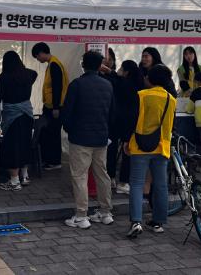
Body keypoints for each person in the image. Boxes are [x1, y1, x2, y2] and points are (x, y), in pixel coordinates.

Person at [61, 51, 114, 229]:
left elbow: (67, 112)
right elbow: (112, 112)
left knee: (79, 176)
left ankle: (81, 215)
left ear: (83, 65)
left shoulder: (77, 84)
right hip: (101, 137)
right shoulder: (108, 85)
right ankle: (105, 212)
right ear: (100, 66)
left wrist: (69, 129)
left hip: (80, 137)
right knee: (102, 175)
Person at [123, 64, 176, 237]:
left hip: (140, 145)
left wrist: (126, 140)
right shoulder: (171, 99)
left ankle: (136, 222)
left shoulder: (141, 95)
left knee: (137, 184)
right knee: (161, 185)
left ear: (151, 79)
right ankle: (158, 222)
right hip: (162, 147)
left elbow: (131, 119)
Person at [0, 51, 38, 191]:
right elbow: (34, 73)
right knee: (25, 143)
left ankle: (14, 181)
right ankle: (24, 176)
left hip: (11, 115)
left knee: (12, 146)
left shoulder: (4, 77)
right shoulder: (29, 74)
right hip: (27, 114)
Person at [32, 42, 69, 171]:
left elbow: (57, 87)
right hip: (51, 106)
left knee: (53, 134)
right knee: (49, 133)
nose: (38, 59)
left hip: (54, 107)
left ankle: (54, 162)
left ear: (42, 53)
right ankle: (49, 160)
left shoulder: (54, 65)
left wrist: (55, 108)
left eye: (37, 56)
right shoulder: (52, 63)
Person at [110, 60, 145, 195]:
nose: (119, 70)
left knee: (112, 150)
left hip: (115, 121)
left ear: (126, 71)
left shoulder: (119, 83)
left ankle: (111, 178)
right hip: (131, 122)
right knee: (127, 153)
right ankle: (123, 182)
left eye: (121, 68)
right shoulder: (139, 85)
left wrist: (112, 73)